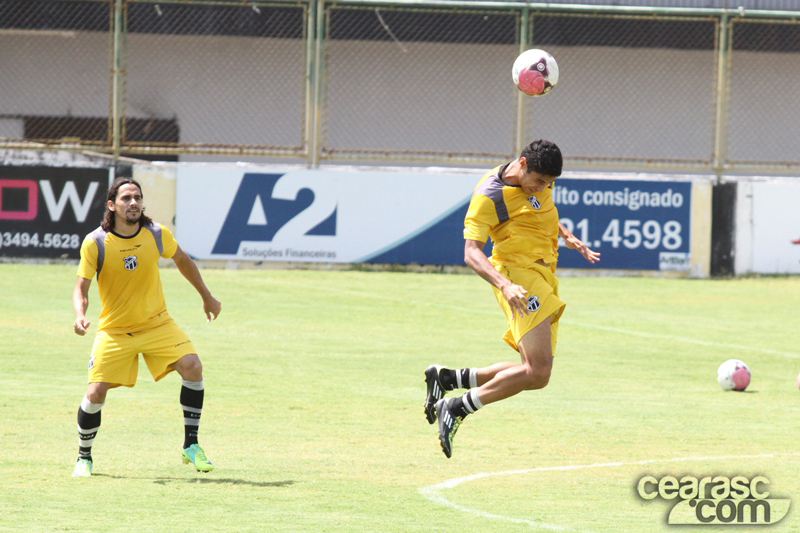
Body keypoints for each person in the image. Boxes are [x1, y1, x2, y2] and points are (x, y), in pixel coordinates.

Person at [423, 140, 600, 458]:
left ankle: (449, 378)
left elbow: (536, 210)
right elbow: (471, 252)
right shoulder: (489, 196)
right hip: (519, 277)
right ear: (522, 164)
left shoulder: (537, 182)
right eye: (539, 182)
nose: (542, 189)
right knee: (538, 370)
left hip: (542, 275)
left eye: (549, 184)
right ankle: (457, 407)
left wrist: (566, 235)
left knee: (535, 374)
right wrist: (505, 285)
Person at [71, 177, 221, 476]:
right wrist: (79, 314)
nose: (134, 203)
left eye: (137, 197)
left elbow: (182, 259)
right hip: (115, 331)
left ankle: (191, 445)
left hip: (157, 324)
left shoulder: (156, 233)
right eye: (126, 198)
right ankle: (84, 457)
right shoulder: (96, 241)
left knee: (192, 366)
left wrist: (207, 296)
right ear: (112, 205)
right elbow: (81, 288)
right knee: (96, 392)